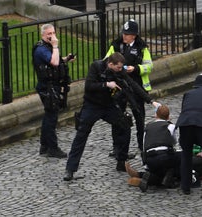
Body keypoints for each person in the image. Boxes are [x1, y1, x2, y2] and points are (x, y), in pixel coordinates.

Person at [64, 52, 160, 181]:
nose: (121, 70)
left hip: (108, 105)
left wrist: (151, 101)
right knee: (81, 134)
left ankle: (121, 160)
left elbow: (133, 84)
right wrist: (106, 85)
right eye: (119, 67)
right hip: (92, 105)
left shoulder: (119, 71)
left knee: (125, 125)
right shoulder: (96, 67)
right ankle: (70, 169)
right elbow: (89, 86)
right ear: (110, 64)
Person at [104, 19, 154, 159]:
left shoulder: (141, 47)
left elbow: (149, 66)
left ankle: (141, 144)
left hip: (136, 86)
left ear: (134, 35)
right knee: (117, 117)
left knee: (139, 117)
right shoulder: (116, 45)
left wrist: (136, 68)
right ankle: (117, 147)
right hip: (119, 87)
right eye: (124, 33)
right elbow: (106, 60)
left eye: (128, 33)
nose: (125, 36)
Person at [32, 23, 73, 159]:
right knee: (51, 117)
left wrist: (66, 59)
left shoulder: (48, 48)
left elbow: (55, 61)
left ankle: (44, 146)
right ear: (43, 35)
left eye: (53, 33)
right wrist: (55, 46)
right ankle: (52, 148)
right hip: (47, 88)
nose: (52, 36)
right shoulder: (41, 49)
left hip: (52, 86)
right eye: (49, 34)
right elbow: (54, 62)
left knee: (49, 115)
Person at [177, 74, 202, 196]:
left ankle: (185, 186)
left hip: (185, 124)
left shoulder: (187, 94)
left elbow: (184, 109)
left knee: (186, 155)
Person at [137, 104, 183, 192]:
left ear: (156, 115)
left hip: (149, 158)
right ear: (168, 116)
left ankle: (150, 174)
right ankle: (169, 178)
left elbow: (144, 145)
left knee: (157, 166)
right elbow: (174, 142)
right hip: (164, 156)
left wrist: (145, 164)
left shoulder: (148, 127)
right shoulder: (170, 126)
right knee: (180, 156)